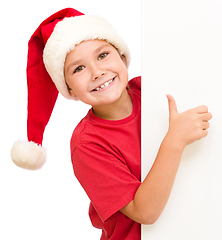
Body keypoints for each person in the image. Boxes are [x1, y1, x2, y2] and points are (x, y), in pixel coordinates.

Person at [10, 8, 212, 240]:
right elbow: (144, 212)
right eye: (78, 68)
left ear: (123, 57)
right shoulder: (86, 143)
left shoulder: (153, 90)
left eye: (103, 55)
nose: (97, 72)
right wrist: (175, 141)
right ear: (70, 90)